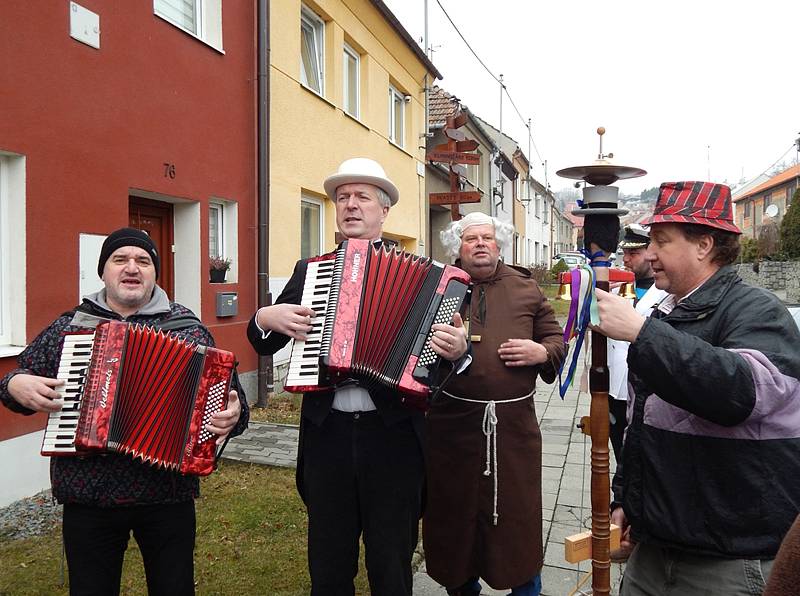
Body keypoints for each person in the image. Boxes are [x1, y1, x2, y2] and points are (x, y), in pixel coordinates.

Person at [247, 157, 468, 596]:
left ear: (384, 211)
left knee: (391, 562)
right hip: (327, 435)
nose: (350, 205)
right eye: (342, 197)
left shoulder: (431, 280)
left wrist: (460, 352)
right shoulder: (310, 271)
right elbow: (265, 344)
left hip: (394, 439)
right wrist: (264, 316)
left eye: (362, 197)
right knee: (328, 563)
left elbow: (441, 368)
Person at [0, 227, 248, 596]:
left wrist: (232, 414)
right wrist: (15, 383)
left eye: (143, 261)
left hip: (167, 495)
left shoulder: (187, 329)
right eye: (120, 259)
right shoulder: (70, 327)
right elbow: (15, 382)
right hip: (88, 495)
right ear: (104, 271)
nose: (132, 268)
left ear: (154, 273)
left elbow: (235, 404)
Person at [594, 182, 800, 595]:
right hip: (653, 551)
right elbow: (641, 428)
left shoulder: (757, 311)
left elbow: (742, 393)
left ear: (704, 244)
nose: (649, 253)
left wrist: (642, 332)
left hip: (728, 562)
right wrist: (626, 503)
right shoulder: (669, 313)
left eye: (661, 241)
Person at [423, 212, 566, 596]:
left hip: (514, 432)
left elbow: (555, 339)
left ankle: (526, 590)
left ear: (499, 245)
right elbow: (410, 350)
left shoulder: (526, 288)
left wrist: (541, 351)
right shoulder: (437, 286)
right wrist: (450, 354)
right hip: (452, 430)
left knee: (517, 523)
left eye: (487, 237)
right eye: (471, 239)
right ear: (458, 247)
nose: (480, 244)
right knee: (456, 522)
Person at [607, 224, 667, 463]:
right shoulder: (619, 287)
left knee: (644, 457)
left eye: (634, 253)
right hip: (615, 386)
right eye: (625, 253)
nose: (627, 259)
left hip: (647, 388)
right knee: (618, 451)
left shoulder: (664, 291)